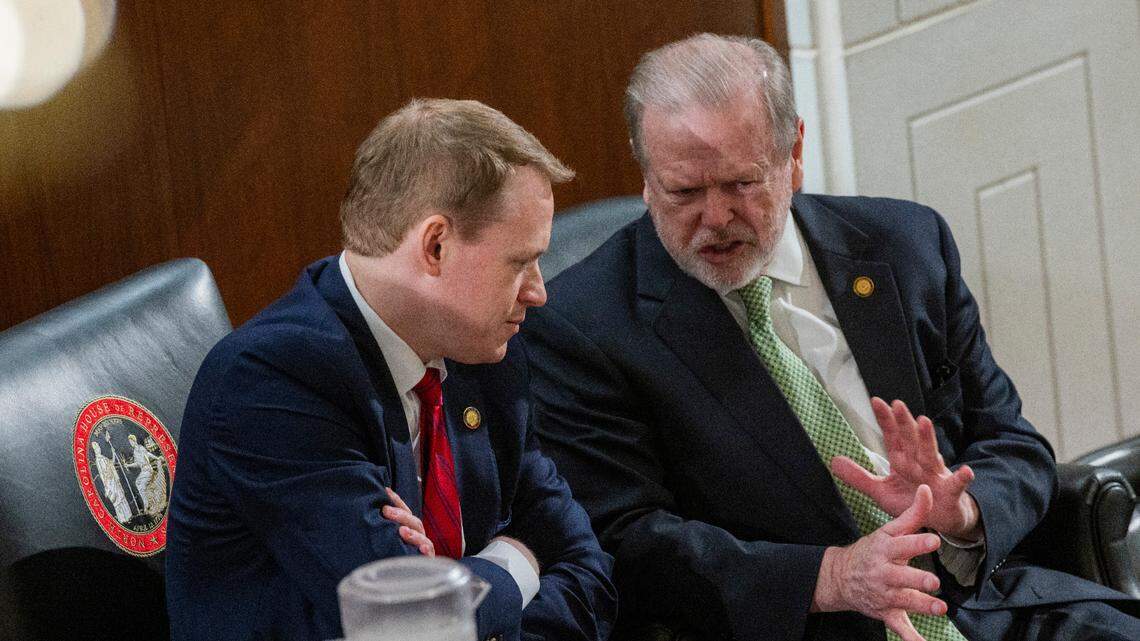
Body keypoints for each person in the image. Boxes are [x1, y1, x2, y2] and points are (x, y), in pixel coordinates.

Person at [521, 34, 1140, 641]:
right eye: (684, 191)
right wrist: (833, 576)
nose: (714, 218)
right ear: (647, 174)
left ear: (793, 153)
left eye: (741, 184)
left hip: (983, 605)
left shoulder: (905, 246)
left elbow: (1012, 441)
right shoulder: (583, 324)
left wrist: (962, 514)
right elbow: (627, 541)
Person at [166, 99, 616, 641]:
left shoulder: (484, 351)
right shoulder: (270, 379)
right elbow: (410, 620)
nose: (539, 292)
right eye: (520, 262)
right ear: (436, 246)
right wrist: (519, 562)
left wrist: (469, 591)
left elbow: (585, 564)